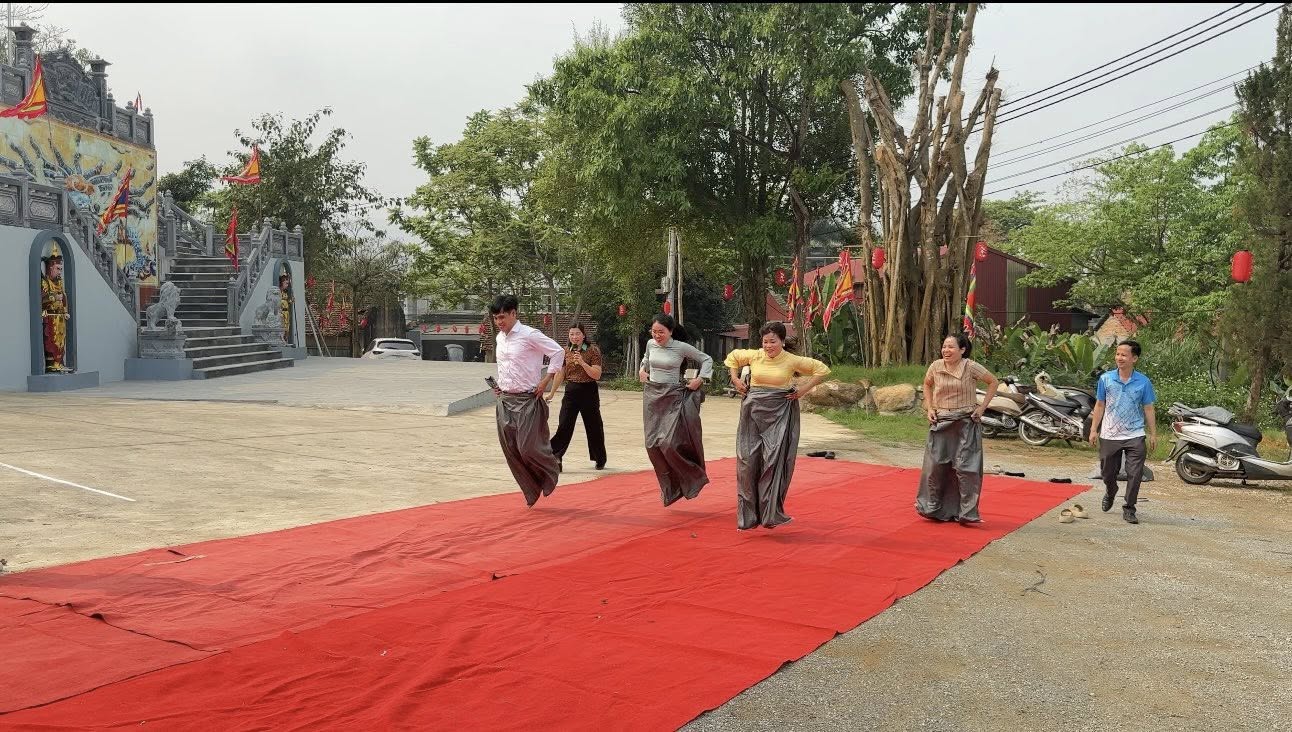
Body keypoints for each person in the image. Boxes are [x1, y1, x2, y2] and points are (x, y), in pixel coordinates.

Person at [725, 321, 831, 530]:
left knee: (772, 462)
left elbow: (821, 369)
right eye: (765, 342)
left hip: (779, 413)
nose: (768, 346)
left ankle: (770, 513)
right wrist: (735, 379)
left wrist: (803, 390)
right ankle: (748, 517)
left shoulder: (791, 360)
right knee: (747, 461)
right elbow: (733, 357)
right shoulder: (755, 356)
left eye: (772, 341)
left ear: (782, 341)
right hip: (752, 412)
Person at [488, 295, 565, 507]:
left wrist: (546, 380)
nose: (499, 322)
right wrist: (499, 386)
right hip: (504, 399)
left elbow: (558, 352)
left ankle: (550, 469)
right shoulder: (500, 338)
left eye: (502, 317)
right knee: (511, 450)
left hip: (528, 399)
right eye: (495, 318)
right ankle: (531, 490)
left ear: (514, 313)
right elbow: (505, 367)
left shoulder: (530, 334)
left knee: (527, 448)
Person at [916, 334, 1000, 525]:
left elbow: (993, 382)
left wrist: (982, 408)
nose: (946, 350)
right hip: (941, 421)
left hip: (965, 422)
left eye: (951, 347)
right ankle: (933, 508)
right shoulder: (935, 366)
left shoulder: (971, 366)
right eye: (944, 346)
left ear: (962, 350)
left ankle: (966, 512)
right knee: (936, 466)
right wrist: (930, 408)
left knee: (966, 468)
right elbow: (927, 384)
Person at [639, 314, 714, 506]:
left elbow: (706, 359)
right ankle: (671, 489)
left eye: (661, 332)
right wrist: (642, 369)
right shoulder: (650, 344)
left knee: (668, 444)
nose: (657, 335)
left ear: (671, 331)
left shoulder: (680, 347)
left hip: (672, 397)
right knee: (651, 445)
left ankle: (694, 477)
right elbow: (646, 358)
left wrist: (700, 379)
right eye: (654, 331)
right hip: (652, 397)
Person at [1088, 340, 1157, 525]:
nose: (1119, 358)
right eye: (1117, 354)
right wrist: (1094, 430)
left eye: (1124, 355)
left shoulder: (1143, 382)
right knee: (1107, 472)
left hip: (1135, 434)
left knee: (1135, 473)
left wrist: (1153, 434)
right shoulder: (1106, 379)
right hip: (1109, 434)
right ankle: (1111, 491)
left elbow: (1149, 408)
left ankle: (1129, 508)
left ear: (1134, 358)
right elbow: (1100, 405)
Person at [547, 323, 608, 470]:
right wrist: (552, 392)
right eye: (572, 334)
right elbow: (560, 374)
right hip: (571, 391)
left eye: (577, 334)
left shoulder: (592, 350)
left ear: (583, 335)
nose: (575, 337)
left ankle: (599, 458)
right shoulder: (565, 351)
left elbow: (597, 374)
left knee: (594, 425)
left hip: (589, 391)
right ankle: (555, 456)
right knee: (564, 424)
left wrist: (582, 362)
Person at [40, 247, 71, 373]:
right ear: (50, 268)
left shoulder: (59, 283)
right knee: (51, 341)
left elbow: (64, 297)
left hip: (60, 317)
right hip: (50, 317)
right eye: (58, 269)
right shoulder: (45, 283)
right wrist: (53, 297)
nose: (59, 272)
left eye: (61, 269)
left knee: (61, 341)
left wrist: (65, 311)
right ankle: (52, 364)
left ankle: (59, 363)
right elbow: (42, 298)